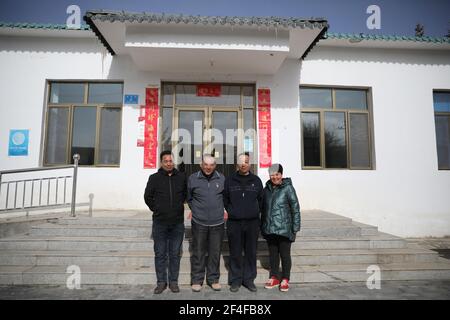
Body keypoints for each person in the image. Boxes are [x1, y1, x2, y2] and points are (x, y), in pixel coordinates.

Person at [144, 150, 187, 294]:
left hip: (177, 223)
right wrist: (157, 209)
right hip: (160, 223)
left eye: (170, 161)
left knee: (175, 254)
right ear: (161, 162)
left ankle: (173, 282)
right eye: (166, 161)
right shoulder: (154, 178)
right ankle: (161, 282)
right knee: (160, 253)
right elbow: (147, 197)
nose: (169, 163)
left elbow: (186, 195)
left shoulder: (181, 177)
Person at [223, 152, 263, 292]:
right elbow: (225, 200)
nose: (243, 164)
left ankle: (249, 279)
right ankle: (235, 280)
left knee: (251, 252)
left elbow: (261, 200)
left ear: (249, 163)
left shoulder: (256, 180)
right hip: (235, 223)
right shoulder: (229, 180)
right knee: (235, 252)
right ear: (237, 164)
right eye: (241, 162)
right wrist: (233, 211)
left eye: (246, 161)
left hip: (252, 223)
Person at [187, 154, 227, 292]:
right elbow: (189, 198)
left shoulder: (221, 178)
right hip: (199, 222)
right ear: (201, 164)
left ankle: (213, 279)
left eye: (211, 165)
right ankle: (197, 280)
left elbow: (225, 197)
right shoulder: (193, 178)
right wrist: (196, 210)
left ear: (215, 165)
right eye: (206, 164)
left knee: (215, 252)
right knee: (198, 252)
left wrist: (224, 210)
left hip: (217, 223)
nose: (208, 167)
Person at [261, 163, 301, 292]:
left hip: (284, 228)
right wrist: (263, 226)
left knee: (284, 255)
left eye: (277, 174)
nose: (274, 177)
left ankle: (285, 278)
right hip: (270, 228)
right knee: (273, 254)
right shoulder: (266, 189)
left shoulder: (288, 188)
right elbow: (262, 208)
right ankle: (274, 277)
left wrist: (295, 228)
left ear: (281, 175)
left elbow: (295, 209)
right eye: (272, 175)